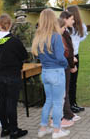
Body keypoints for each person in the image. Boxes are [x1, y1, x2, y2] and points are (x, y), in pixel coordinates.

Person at [31, 9, 70, 138]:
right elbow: (60, 57)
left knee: (48, 101)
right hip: (56, 72)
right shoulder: (56, 36)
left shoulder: (38, 37)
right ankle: (57, 131)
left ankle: (43, 128)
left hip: (45, 72)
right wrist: (66, 64)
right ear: (53, 19)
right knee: (58, 102)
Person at [0, 13, 28, 139]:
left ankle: (5, 128)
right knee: (11, 103)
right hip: (12, 75)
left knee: (2, 101)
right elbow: (24, 56)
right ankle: (14, 131)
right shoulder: (14, 41)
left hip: (0, 74)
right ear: (10, 25)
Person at [59, 11, 82, 125]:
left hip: (64, 64)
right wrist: (72, 63)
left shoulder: (65, 31)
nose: (73, 21)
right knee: (64, 91)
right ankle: (66, 116)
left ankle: (66, 113)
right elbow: (66, 50)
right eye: (71, 19)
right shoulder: (63, 33)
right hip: (64, 65)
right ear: (65, 19)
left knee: (65, 91)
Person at [67, 5, 88, 113]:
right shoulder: (67, 26)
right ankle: (69, 105)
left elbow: (82, 37)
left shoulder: (80, 26)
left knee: (73, 81)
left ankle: (73, 103)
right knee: (69, 82)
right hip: (68, 55)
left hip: (75, 55)